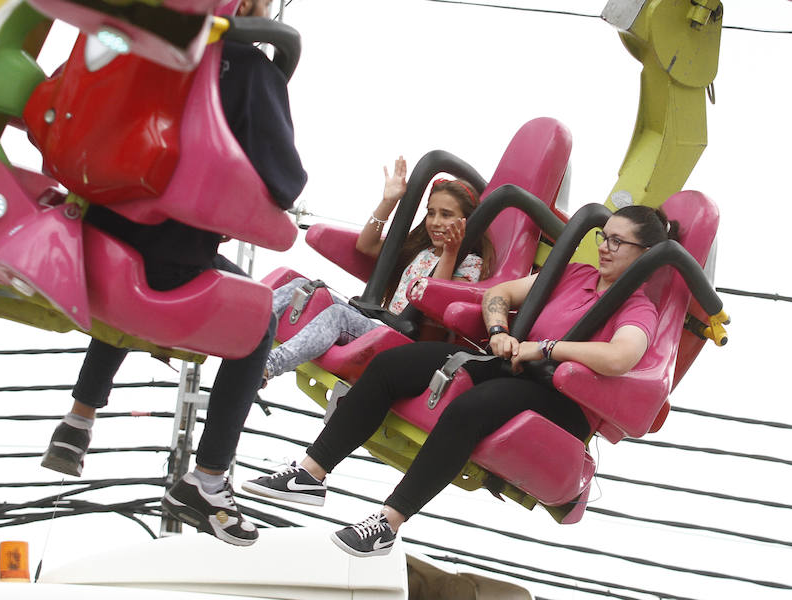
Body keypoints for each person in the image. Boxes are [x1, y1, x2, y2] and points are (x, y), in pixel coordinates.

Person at [243, 205, 678, 557]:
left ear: (644, 255)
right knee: (393, 365)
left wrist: (545, 348)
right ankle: (309, 474)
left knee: (468, 408)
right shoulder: (574, 275)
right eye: (603, 236)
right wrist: (499, 331)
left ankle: (386, 525)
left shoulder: (639, 309)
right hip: (513, 363)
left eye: (617, 242)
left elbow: (621, 357)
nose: (604, 247)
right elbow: (501, 295)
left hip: (561, 398)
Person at [40, 0, 307, 548]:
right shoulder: (249, 67)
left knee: (135, 233)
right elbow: (284, 182)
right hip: (165, 268)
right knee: (259, 320)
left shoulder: (121, 40)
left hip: (85, 238)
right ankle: (207, 481)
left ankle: (79, 418)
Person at [264, 156, 496, 382]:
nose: (435, 222)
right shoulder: (422, 252)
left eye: (446, 215)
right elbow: (367, 245)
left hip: (407, 343)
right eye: (431, 213)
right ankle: (247, 325)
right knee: (302, 287)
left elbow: (435, 303)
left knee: (338, 315)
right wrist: (389, 201)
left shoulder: (470, 264)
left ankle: (268, 366)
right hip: (380, 324)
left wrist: (451, 253)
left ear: (467, 221)